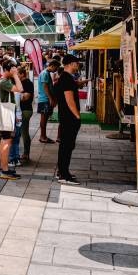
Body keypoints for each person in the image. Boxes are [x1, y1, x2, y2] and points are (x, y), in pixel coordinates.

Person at [55, 54, 82, 185]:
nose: (78, 65)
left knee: (65, 146)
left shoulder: (65, 77)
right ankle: (64, 175)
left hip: (65, 116)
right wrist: (77, 115)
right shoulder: (67, 79)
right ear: (71, 64)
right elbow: (69, 100)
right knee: (67, 146)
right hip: (69, 117)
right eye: (76, 63)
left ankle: (62, 171)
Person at [0, 60, 23, 180]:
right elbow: (20, 89)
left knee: (5, 141)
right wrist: (15, 75)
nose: (15, 71)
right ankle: (4, 170)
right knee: (6, 141)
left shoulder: (5, 80)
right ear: (8, 69)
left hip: (7, 111)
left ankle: (4, 168)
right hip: (6, 112)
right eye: (13, 69)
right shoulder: (4, 81)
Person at [37, 60, 59, 144]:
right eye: (56, 68)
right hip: (44, 99)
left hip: (45, 99)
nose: (56, 70)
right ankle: (43, 136)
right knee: (44, 118)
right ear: (52, 65)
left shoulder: (46, 73)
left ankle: (43, 136)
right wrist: (50, 98)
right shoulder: (45, 73)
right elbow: (45, 87)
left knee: (45, 118)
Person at [18, 68, 35, 163]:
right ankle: (24, 153)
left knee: (24, 132)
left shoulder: (28, 83)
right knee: (22, 132)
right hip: (22, 110)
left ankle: (26, 153)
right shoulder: (20, 82)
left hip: (25, 110)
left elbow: (26, 97)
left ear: (22, 74)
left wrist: (15, 96)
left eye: (17, 74)